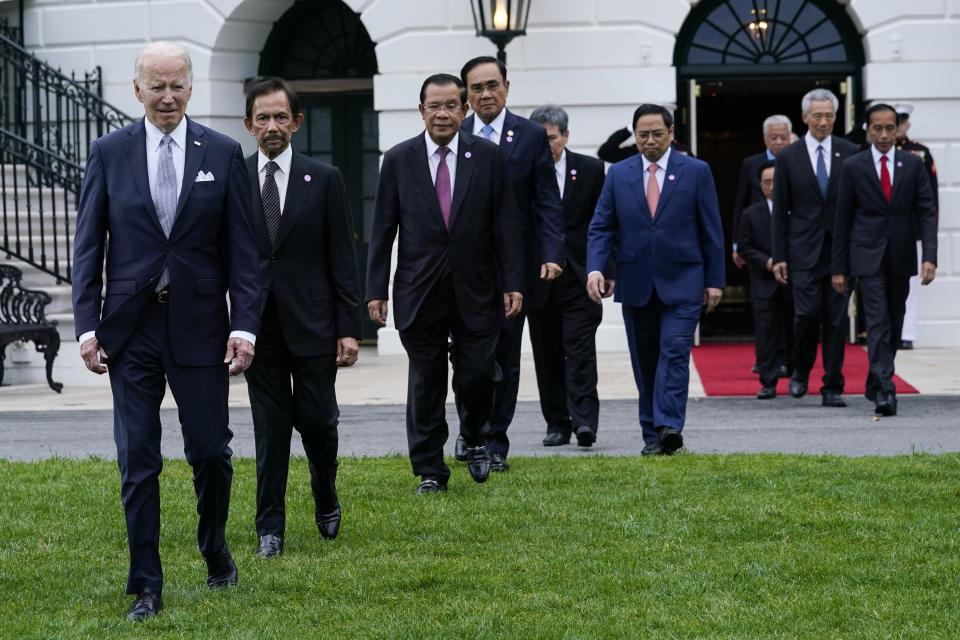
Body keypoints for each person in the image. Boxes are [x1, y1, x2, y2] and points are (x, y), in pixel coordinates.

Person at [71, 41, 260, 621]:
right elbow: (88, 247)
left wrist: (245, 327)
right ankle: (146, 583)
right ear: (137, 90)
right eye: (157, 85)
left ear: (191, 86)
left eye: (177, 84)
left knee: (210, 451)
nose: (168, 95)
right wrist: (86, 327)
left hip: (203, 329)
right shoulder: (109, 152)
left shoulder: (224, 152)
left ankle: (216, 551)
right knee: (138, 459)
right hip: (130, 331)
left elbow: (245, 253)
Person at [365, 73, 524, 494]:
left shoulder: (488, 156)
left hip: (479, 289)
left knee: (476, 374)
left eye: (451, 105)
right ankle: (430, 470)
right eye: (434, 106)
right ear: (421, 111)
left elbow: (505, 223)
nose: (442, 113)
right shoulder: (398, 159)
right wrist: (375, 290)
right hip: (419, 291)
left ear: (464, 109)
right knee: (426, 380)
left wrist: (513, 281)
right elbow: (382, 229)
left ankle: (474, 438)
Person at [241, 77, 362, 559]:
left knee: (318, 422)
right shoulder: (236, 178)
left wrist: (349, 327)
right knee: (270, 429)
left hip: (315, 325)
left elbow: (342, 260)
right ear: (249, 125)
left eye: (281, 117)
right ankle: (270, 526)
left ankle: (326, 495)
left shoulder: (324, 178)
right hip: (257, 329)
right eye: (263, 118)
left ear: (297, 122)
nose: (273, 126)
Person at [586, 103, 725, 456]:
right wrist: (598, 268)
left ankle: (669, 426)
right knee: (645, 360)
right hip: (636, 283)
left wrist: (715, 281)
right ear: (634, 135)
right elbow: (602, 227)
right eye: (643, 134)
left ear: (672, 134)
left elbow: (712, 230)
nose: (650, 141)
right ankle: (652, 433)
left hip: (684, 281)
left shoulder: (696, 171)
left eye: (657, 134)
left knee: (674, 352)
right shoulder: (618, 174)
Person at [453, 56, 563, 472]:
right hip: (463, 268)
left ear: (507, 87)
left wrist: (553, 253)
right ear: (467, 93)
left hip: (514, 266)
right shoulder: (454, 131)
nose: (485, 94)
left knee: (506, 355)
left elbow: (547, 201)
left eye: (492, 85)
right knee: (466, 356)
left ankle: (495, 441)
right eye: (476, 88)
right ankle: (470, 429)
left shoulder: (531, 135)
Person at [832, 103, 937, 416]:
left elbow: (927, 212)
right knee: (876, 323)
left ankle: (875, 379)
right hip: (867, 257)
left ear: (897, 130)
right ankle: (886, 392)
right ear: (868, 130)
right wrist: (839, 268)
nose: (884, 134)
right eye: (877, 128)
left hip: (902, 254)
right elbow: (842, 219)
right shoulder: (853, 166)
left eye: (889, 128)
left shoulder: (913, 164)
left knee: (893, 323)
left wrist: (929, 257)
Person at [771, 88, 858, 407]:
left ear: (836, 117)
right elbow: (779, 210)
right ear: (805, 117)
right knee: (806, 316)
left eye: (829, 116)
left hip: (841, 253)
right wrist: (779, 255)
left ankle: (833, 385)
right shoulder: (788, 156)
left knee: (836, 321)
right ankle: (801, 369)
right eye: (817, 116)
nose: (823, 122)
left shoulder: (850, 152)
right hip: (802, 251)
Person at [527, 104, 607, 447]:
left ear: (566, 136)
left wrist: (605, 268)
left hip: (580, 277)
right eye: (540, 140)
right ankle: (557, 423)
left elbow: (603, 224)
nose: (547, 146)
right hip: (539, 279)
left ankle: (584, 421)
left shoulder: (589, 170)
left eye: (552, 139)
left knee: (580, 351)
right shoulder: (522, 173)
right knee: (546, 354)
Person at [737, 161, 794, 399]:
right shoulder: (751, 213)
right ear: (760, 185)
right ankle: (768, 380)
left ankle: (794, 373)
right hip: (763, 280)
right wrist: (768, 262)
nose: (771, 186)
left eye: (775, 181)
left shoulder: (796, 209)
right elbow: (745, 247)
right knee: (766, 332)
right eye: (766, 182)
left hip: (793, 279)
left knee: (795, 328)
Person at [892, 102, 939, 350]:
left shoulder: (920, 153)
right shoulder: (874, 150)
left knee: (910, 284)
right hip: (887, 228)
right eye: (894, 121)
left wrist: (928, 230)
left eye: (901, 122)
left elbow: (930, 197)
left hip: (914, 228)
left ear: (907, 124)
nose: (898, 127)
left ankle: (906, 334)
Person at [730, 115, 792, 270]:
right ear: (765, 138)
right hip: (759, 237)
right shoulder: (751, 164)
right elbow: (741, 203)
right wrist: (736, 244)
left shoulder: (798, 162)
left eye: (783, 137)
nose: (779, 142)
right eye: (774, 137)